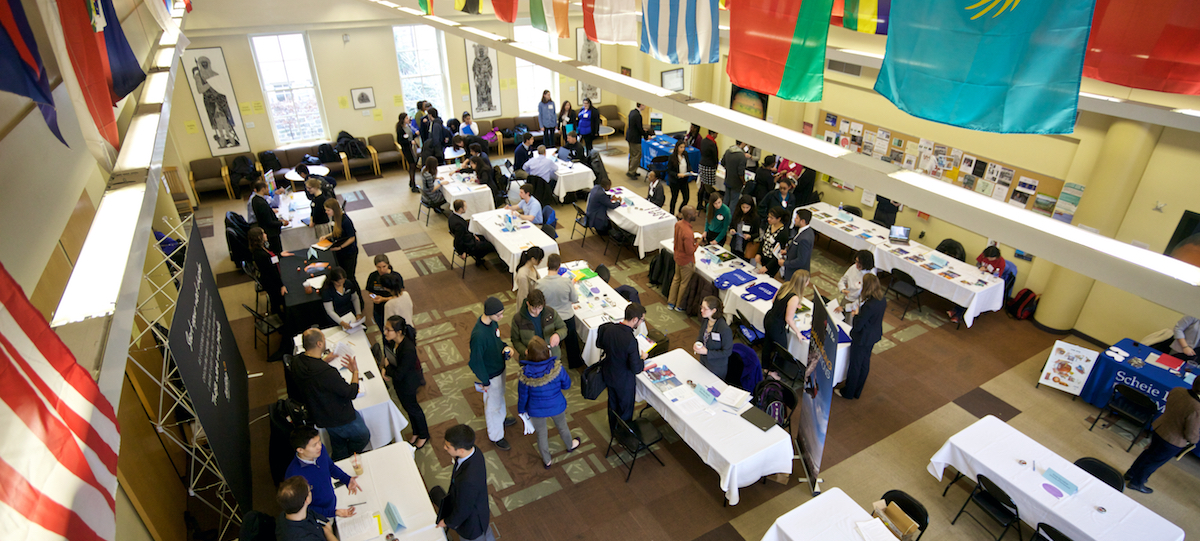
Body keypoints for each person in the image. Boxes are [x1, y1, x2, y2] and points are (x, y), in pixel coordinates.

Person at [290, 329, 371, 460]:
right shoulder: (327, 373)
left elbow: (314, 378)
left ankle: (340, 458)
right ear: (319, 344)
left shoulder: (296, 362)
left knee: (337, 442)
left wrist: (323, 360)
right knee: (363, 435)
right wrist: (355, 372)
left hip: (320, 415)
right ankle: (350, 456)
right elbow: (351, 392)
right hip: (340, 416)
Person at [1123, 380, 1200, 493]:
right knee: (1154, 462)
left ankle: (1131, 473)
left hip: (1160, 428)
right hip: (1173, 440)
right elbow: (1190, 433)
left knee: (1148, 453)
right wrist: (1195, 440)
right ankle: (1136, 483)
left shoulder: (1178, 390)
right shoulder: (1197, 408)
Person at [517, 336, 581, 469]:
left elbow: (523, 396)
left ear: (527, 353)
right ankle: (570, 445)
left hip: (535, 409)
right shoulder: (557, 368)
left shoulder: (524, 374)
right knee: (562, 426)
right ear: (548, 352)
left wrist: (521, 410)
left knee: (541, 434)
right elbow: (567, 385)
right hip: (556, 405)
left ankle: (547, 460)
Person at [468, 297, 517, 450]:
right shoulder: (479, 335)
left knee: (500, 397)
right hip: (490, 375)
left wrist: (505, 348)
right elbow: (475, 362)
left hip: (499, 368)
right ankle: (496, 436)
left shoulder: (492, 323)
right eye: (499, 314)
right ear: (489, 313)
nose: (502, 317)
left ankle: (501, 419)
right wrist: (485, 381)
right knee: (492, 406)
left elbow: (496, 342)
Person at [283, 426, 361, 520]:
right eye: (314, 445)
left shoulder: (320, 451)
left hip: (331, 503)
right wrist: (332, 513)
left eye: (319, 441)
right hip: (319, 516)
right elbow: (304, 508)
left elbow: (330, 467)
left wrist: (347, 479)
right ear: (300, 450)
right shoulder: (293, 475)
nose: (319, 446)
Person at [434, 425, 494, 541]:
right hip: (480, 509)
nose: (444, 448)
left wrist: (447, 522)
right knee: (486, 533)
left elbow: (463, 509)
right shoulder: (474, 451)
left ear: (460, 450)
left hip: (472, 525)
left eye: (448, 446)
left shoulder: (468, 480)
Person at [597, 304, 648, 431]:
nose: (641, 323)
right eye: (642, 320)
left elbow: (600, 344)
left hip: (609, 373)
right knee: (625, 409)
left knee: (612, 405)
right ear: (635, 319)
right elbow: (636, 368)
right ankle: (623, 434)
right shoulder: (631, 340)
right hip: (624, 381)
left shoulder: (609, 329)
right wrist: (643, 358)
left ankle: (613, 430)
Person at [381, 315, 429, 450]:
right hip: (400, 384)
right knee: (408, 409)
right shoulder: (391, 342)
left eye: (388, 330)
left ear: (399, 332)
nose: (385, 333)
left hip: (407, 384)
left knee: (414, 409)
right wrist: (385, 367)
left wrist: (387, 368)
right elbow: (388, 358)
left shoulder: (408, 349)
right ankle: (416, 432)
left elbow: (399, 374)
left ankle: (424, 434)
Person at [838, 274, 886, 399]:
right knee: (865, 363)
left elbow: (858, 325)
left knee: (855, 365)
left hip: (862, 338)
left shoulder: (869, 305)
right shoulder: (882, 299)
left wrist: (856, 314)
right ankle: (857, 391)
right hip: (873, 335)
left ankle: (848, 392)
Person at [537, 254, 584, 369]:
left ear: (547, 265)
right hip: (566, 316)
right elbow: (574, 299)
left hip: (548, 318)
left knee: (549, 339)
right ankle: (574, 362)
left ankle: (550, 360)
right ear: (559, 266)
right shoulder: (566, 282)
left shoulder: (539, 284)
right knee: (571, 340)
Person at [765, 270, 810, 377]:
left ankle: (766, 367)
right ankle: (773, 371)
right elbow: (789, 319)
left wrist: (789, 306)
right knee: (781, 349)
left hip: (769, 317)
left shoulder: (785, 285)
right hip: (777, 325)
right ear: (804, 283)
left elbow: (773, 300)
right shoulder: (794, 297)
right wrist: (798, 333)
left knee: (767, 343)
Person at [949, 246, 1005, 323]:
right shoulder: (984, 254)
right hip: (978, 275)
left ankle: (958, 314)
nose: (988, 259)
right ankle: (956, 310)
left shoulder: (1001, 262)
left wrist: (989, 272)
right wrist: (980, 267)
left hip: (987, 280)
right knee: (965, 289)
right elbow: (978, 263)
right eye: (987, 257)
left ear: (996, 256)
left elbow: (998, 276)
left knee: (971, 295)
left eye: (991, 258)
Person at [275, 475, 337, 541]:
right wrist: (328, 533)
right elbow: (326, 526)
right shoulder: (302, 538)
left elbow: (321, 519)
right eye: (310, 489)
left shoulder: (290, 512)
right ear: (307, 499)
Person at [248, 226, 289, 316]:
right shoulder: (261, 255)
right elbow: (272, 272)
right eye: (263, 233)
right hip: (272, 284)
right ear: (259, 237)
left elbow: (271, 259)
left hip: (270, 280)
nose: (266, 235)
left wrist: (279, 255)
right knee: (279, 300)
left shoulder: (261, 249)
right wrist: (281, 285)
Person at [693, 296, 733, 381]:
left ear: (714, 310)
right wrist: (698, 343)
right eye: (701, 307)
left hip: (716, 367)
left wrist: (707, 352)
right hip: (703, 360)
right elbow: (701, 335)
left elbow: (727, 352)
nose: (701, 310)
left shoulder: (724, 329)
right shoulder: (706, 320)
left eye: (705, 308)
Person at [448, 199, 496, 268]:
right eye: (465, 207)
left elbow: (464, 232)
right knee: (491, 246)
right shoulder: (459, 224)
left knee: (483, 237)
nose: (466, 208)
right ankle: (478, 257)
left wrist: (474, 235)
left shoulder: (452, 216)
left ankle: (478, 256)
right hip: (468, 245)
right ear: (461, 209)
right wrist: (462, 252)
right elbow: (459, 240)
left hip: (468, 238)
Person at [668, 206, 698, 311]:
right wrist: (697, 243)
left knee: (676, 279)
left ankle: (671, 302)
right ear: (689, 216)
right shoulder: (688, 232)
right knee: (684, 283)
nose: (696, 214)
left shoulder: (678, 224)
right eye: (695, 213)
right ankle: (679, 305)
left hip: (677, 257)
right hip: (686, 261)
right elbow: (690, 251)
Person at [322, 199, 358, 282]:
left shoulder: (346, 221)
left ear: (334, 210)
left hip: (349, 252)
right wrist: (326, 236)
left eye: (328, 210)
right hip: (340, 251)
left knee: (349, 276)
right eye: (325, 210)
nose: (326, 212)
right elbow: (336, 231)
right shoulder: (334, 218)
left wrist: (340, 247)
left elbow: (352, 238)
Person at [836, 250, 876, 324]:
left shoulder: (870, 277)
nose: (856, 264)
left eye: (859, 263)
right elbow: (843, 280)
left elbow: (862, 300)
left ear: (865, 264)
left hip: (857, 305)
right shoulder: (853, 267)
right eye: (856, 261)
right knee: (839, 319)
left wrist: (846, 308)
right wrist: (842, 289)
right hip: (847, 298)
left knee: (849, 325)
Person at [249, 180, 288, 254]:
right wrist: (282, 223)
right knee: (277, 252)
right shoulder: (262, 204)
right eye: (267, 188)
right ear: (263, 189)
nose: (268, 190)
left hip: (264, 226)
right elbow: (269, 222)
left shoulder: (255, 199)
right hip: (271, 233)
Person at [755, 206, 791, 278]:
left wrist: (767, 267)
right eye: (768, 217)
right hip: (763, 257)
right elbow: (764, 241)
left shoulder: (783, 232)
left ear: (779, 219)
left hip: (772, 262)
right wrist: (758, 253)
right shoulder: (769, 226)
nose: (768, 219)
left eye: (771, 218)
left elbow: (778, 253)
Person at [364, 255, 397, 328]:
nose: (382, 270)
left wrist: (383, 299)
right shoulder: (372, 276)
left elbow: (399, 296)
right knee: (383, 331)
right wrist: (374, 297)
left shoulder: (395, 277)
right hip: (379, 311)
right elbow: (370, 291)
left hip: (394, 310)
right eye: (379, 267)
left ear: (388, 265)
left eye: (384, 266)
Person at [781, 208, 814, 280]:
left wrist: (784, 263)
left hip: (796, 273)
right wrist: (787, 251)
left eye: (796, 218)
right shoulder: (808, 231)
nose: (795, 220)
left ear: (802, 221)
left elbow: (801, 260)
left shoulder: (804, 239)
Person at [667, 140, 695, 214]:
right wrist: (677, 174)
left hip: (684, 180)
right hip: (675, 181)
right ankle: (671, 213)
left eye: (684, 147)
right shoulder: (672, 157)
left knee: (686, 198)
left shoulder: (685, 154)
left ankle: (680, 211)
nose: (683, 149)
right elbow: (669, 171)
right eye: (681, 147)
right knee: (674, 198)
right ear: (677, 148)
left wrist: (690, 170)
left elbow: (688, 164)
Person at [626, 103, 651, 179]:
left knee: (632, 154)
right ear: (641, 105)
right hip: (635, 138)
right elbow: (639, 129)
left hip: (630, 136)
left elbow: (636, 126)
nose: (645, 106)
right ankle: (631, 172)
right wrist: (646, 135)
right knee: (637, 155)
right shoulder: (638, 115)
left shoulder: (632, 112)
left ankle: (631, 169)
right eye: (644, 105)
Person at [697, 129, 720, 213]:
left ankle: (699, 204)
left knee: (703, 185)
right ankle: (707, 206)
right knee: (708, 188)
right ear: (713, 133)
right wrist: (716, 165)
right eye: (716, 133)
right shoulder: (712, 143)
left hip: (702, 164)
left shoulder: (703, 141)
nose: (717, 135)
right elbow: (715, 157)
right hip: (709, 167)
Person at [397, 112, 420, 192]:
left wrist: (416, 135)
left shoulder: (408, 126)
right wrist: (410, 142)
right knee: (412, 165)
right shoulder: (400, 129)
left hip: (412, 148)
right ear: (403, 120)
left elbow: (410, 137)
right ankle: (413, 184)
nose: (408, 119)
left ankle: (411, 182)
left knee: (413, 164)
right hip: (406, 149)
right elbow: (400, 141)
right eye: (406, 118)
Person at [721, 140, 749, 207]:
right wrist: (743, 181)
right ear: (742, 142)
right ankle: (730, 217)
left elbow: (722, 163)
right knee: (733, 202)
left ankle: (722, 215)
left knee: (726, 199)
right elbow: (740, 173)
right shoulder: (742, 156)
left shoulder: (728, 151)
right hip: (736, 183)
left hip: (728, 179)